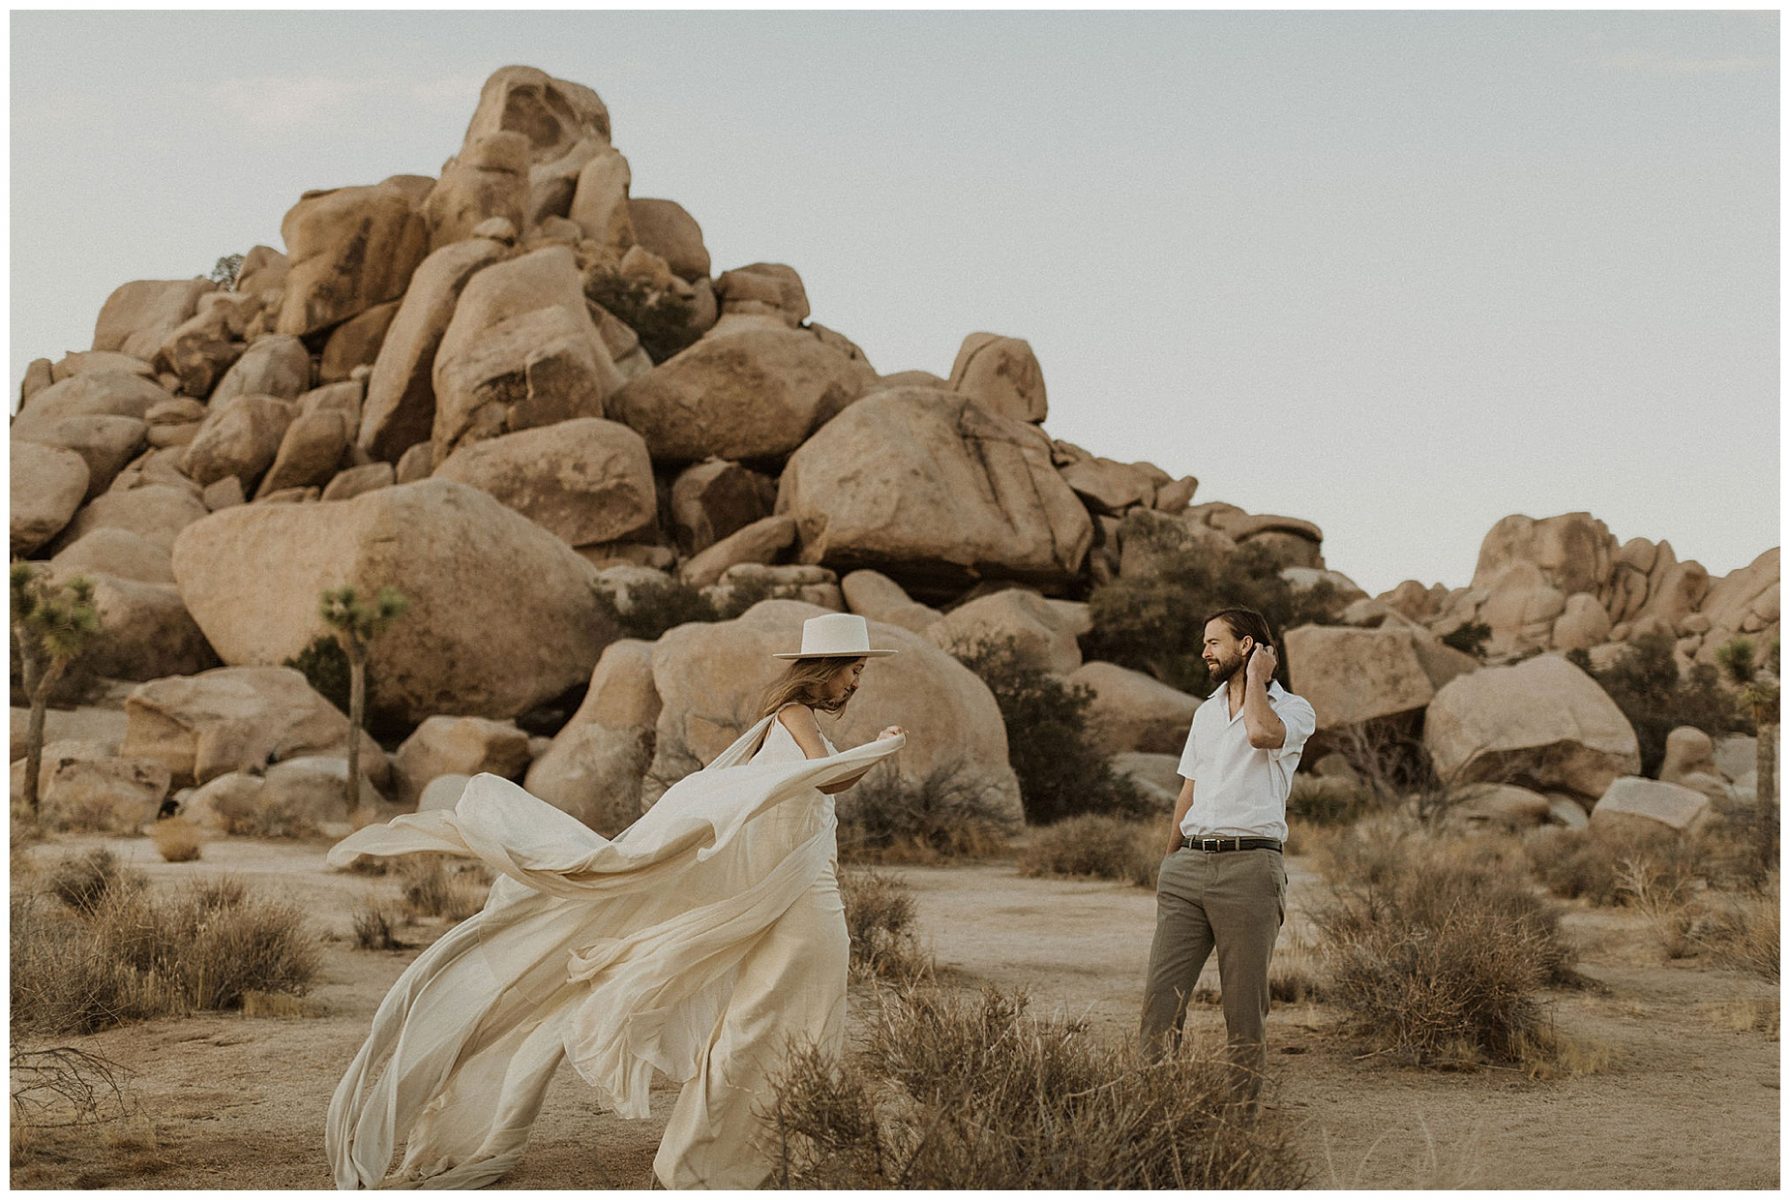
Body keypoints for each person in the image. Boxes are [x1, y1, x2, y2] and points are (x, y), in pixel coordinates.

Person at [325, 612, 905, 1190]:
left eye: (859, 671)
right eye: (852, 669)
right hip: (803, 894)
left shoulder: (787, 722)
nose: (856, 682)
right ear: (823, 668)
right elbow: (822, 778)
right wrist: (876, 753)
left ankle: (756, 1147)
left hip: (805, 884)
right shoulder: (795, 713)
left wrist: (864, 756)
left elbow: (811, 783)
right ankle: (709, 1161)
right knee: (771, 1016)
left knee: (782, 1013)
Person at [1137, 606, 1316, 1107]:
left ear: (1247, 646)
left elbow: (1261, 735)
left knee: (1243, 1012)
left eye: (1214, 642)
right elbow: (1188, 793)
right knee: (1160, 1005)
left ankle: (1238, 1127)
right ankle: (1152, 1112)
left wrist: (1258, 677)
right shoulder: (1205, 712)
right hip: (1188, 867)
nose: (1204, 652)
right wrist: (1167, 865)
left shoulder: (1295, 710)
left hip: (1250, 870)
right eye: (1204, 642)